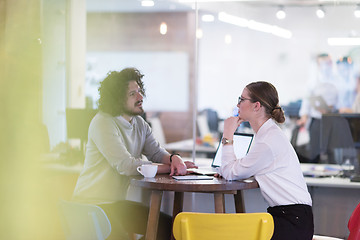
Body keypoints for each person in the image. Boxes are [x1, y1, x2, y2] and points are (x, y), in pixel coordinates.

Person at [72, 68, 196, 240]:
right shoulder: (103, 123)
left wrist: (175, 159)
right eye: (132, 94)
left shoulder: (139, 123)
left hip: (116, 205)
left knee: (169, 228)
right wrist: (169, 167)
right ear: (117, 99)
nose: (140, 97)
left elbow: (155, 151)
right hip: (91, 204)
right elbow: (126, 165)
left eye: (139, 91)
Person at [219, 81, 313, 240]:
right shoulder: (267, 135)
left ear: (256, 106)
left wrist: (227, 135)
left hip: (291, 221)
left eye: (241, 99)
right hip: (291, 216)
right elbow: (236, 169)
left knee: (230, 232)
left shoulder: (267, 141)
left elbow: (230, 172)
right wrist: (228, 170)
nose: (238, 104)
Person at [297, 53, 338, 163]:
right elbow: (307, 101)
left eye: (327, 63)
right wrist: (304, 117)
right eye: (323, 63)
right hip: (317, 121)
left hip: (332, 120)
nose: (325, 66)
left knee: (331, 151)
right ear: (318, 65)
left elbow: (343, 101)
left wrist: (332, 107)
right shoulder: (313, 81)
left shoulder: (337, 79)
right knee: (314, 151)